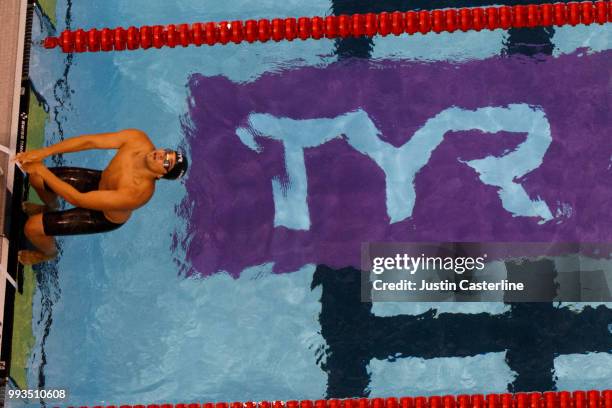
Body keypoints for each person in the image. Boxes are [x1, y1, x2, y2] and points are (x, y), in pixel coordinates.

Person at [15, 129, 188, 265]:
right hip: (99, 182)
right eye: (167, 152)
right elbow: (89, 141)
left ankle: (48, 253)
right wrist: (44, 152)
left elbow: (78, 199)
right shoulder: (138, 139)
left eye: (167, 162)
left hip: (103, 216)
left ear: (160, 175)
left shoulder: (138, 193)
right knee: (35, 178)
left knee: (32, 227)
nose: (161, 155)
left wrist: (42, 169)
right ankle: (51, 207)